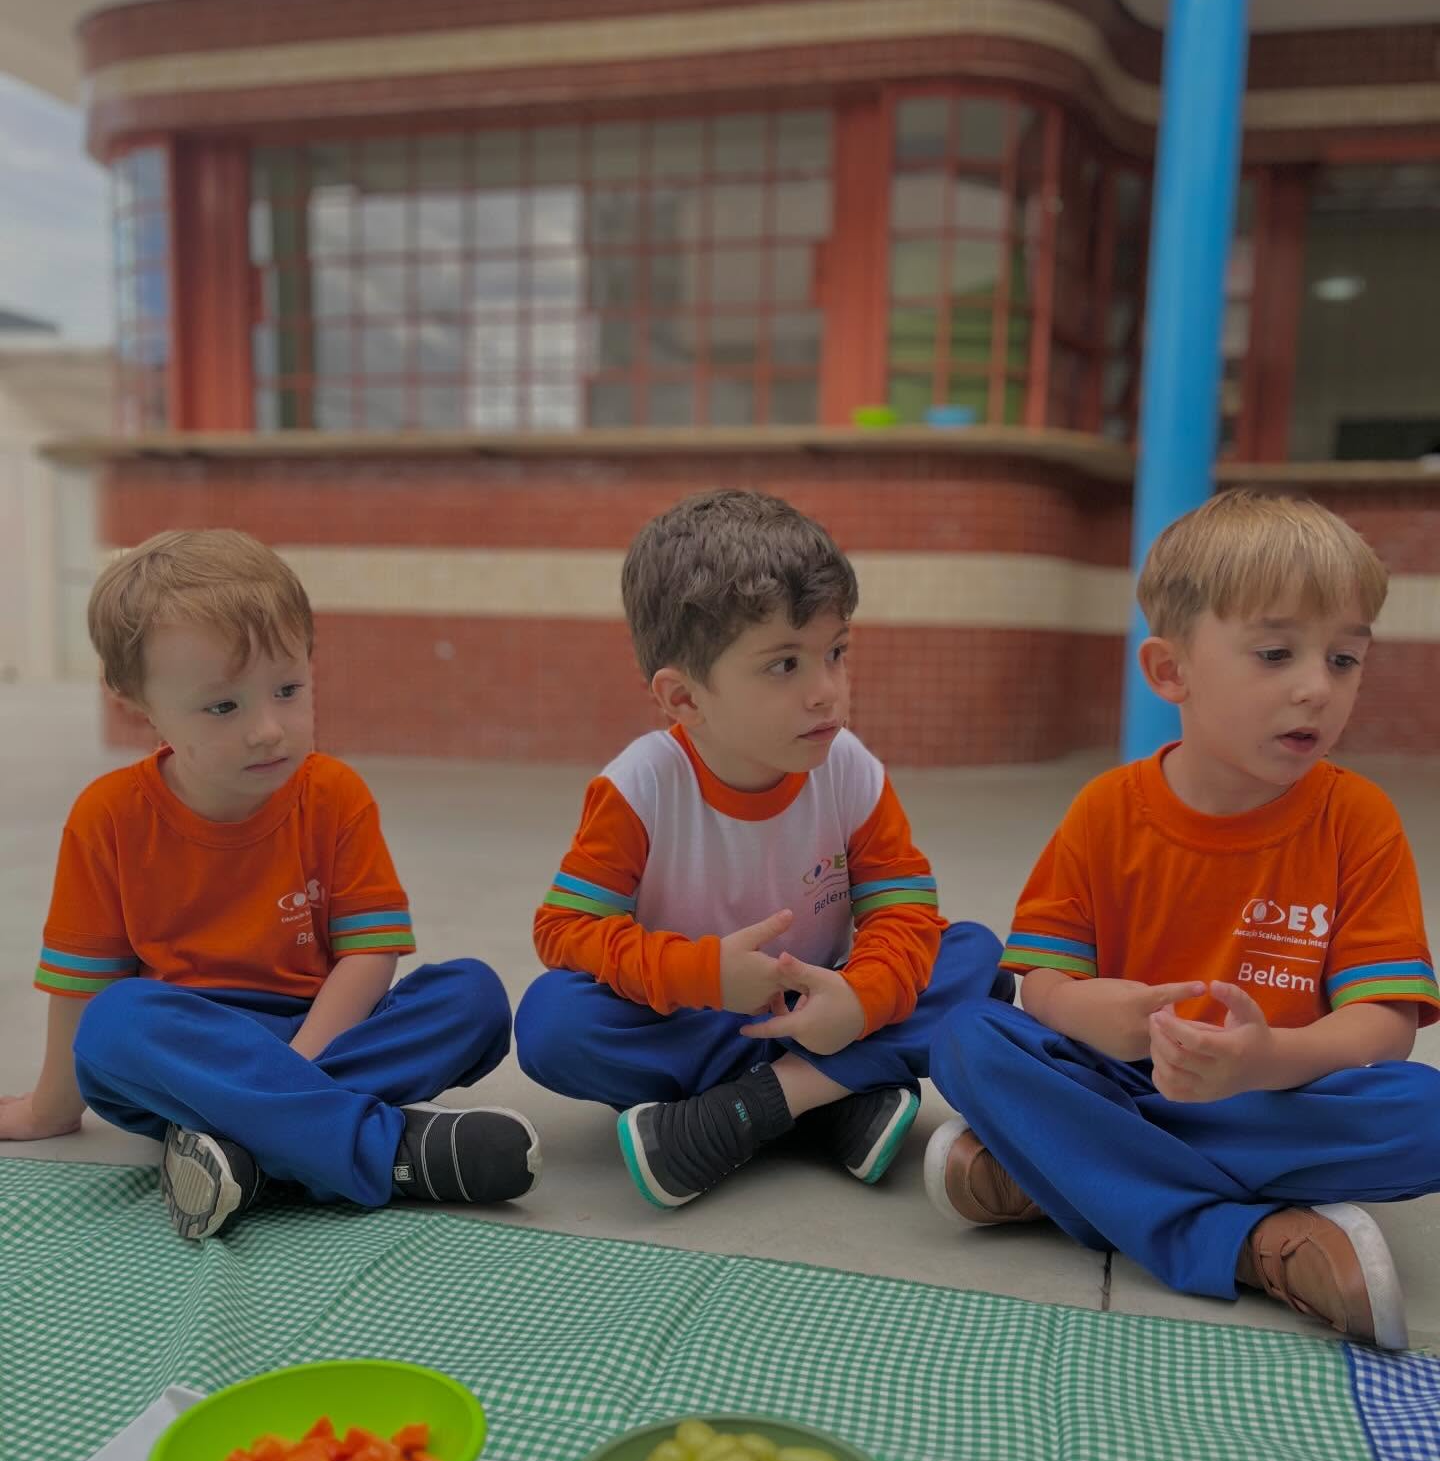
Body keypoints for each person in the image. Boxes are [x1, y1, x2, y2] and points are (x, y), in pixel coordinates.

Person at [926, 488, 1439, 1348]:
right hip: (1119, 1082)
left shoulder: (1359, 820)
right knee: (967, 1034)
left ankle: (1057, 1173)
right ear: (1171, 672)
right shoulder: (1107, 809)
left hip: (1276, 1099)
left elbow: (1384, 1024)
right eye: (1276, 653)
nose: (1317, 687)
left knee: (1423, 1113)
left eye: (1345, 660)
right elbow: (1043, 985)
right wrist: (1114, 1018)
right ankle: (1246, 1241)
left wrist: (1269, 1056)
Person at [0, 529, 540, 1238]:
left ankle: (242, 1151)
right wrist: (51, 1109)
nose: (268, 729)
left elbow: (369, 955)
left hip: (320, 1029)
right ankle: (390, 1152)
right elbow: (83, 986)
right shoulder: (108, 817)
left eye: (288, 690)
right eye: (223, 707)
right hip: (188, 1049)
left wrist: (290, 1073)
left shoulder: (334, 793)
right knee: (114, 1025)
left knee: (471, 997)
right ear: (136, 700)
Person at [514, 488, 1009, 1207]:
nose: (828, 692)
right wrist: (702, 973)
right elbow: (562, 930)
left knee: (978, 959)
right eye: (786, 665)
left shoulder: (850, 769)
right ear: (684, 699)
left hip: (827, 998)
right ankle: (836, 1093)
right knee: (553, 1022)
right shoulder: (641, 786)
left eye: (836, 652)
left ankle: (754, 1108)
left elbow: (904, 912)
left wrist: (862, 999)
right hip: (689, 1012)